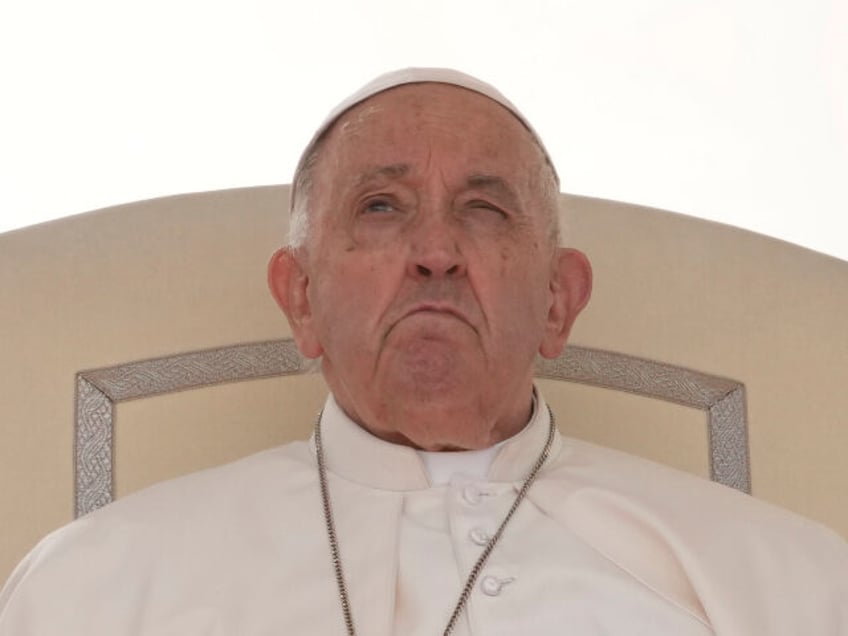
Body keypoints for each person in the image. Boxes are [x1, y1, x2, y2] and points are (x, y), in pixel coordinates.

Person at [1, 68, 846, 635]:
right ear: (301, 300)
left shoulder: (784, 584)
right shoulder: (96, 589)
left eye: (484, 209)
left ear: (558, 303)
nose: (434, 250)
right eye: (379, 207)